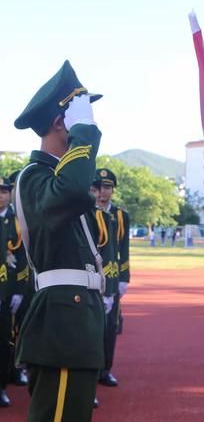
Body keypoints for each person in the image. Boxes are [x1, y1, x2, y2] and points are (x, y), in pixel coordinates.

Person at [13, 60, 105, 421]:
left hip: (75, 319)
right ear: (59, 122)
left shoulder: (56, 177)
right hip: (63, 323)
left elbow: (74, 187)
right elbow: (70, 190)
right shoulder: (35, 176)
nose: (92, 122)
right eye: (82, 114)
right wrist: (85, 133)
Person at [91, 168, 130, 388]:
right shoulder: (85, 212)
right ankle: (91, 370)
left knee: (109, 327)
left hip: (113, 277)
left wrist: (124, 277)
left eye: (107, 188)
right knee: (92, 327)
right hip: (92, 276)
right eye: (97, 188)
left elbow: (124, 249)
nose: (102, 193)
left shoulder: (121, 215)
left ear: (113, 190)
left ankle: (105, 369)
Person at [0, 175, 28, 407]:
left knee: (4, 339)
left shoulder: (17, 221)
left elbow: (21, 259)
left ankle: (1, 386)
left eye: (3, 191)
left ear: (10, 194)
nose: (0, 195)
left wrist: (19, 290)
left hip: (7, 291)